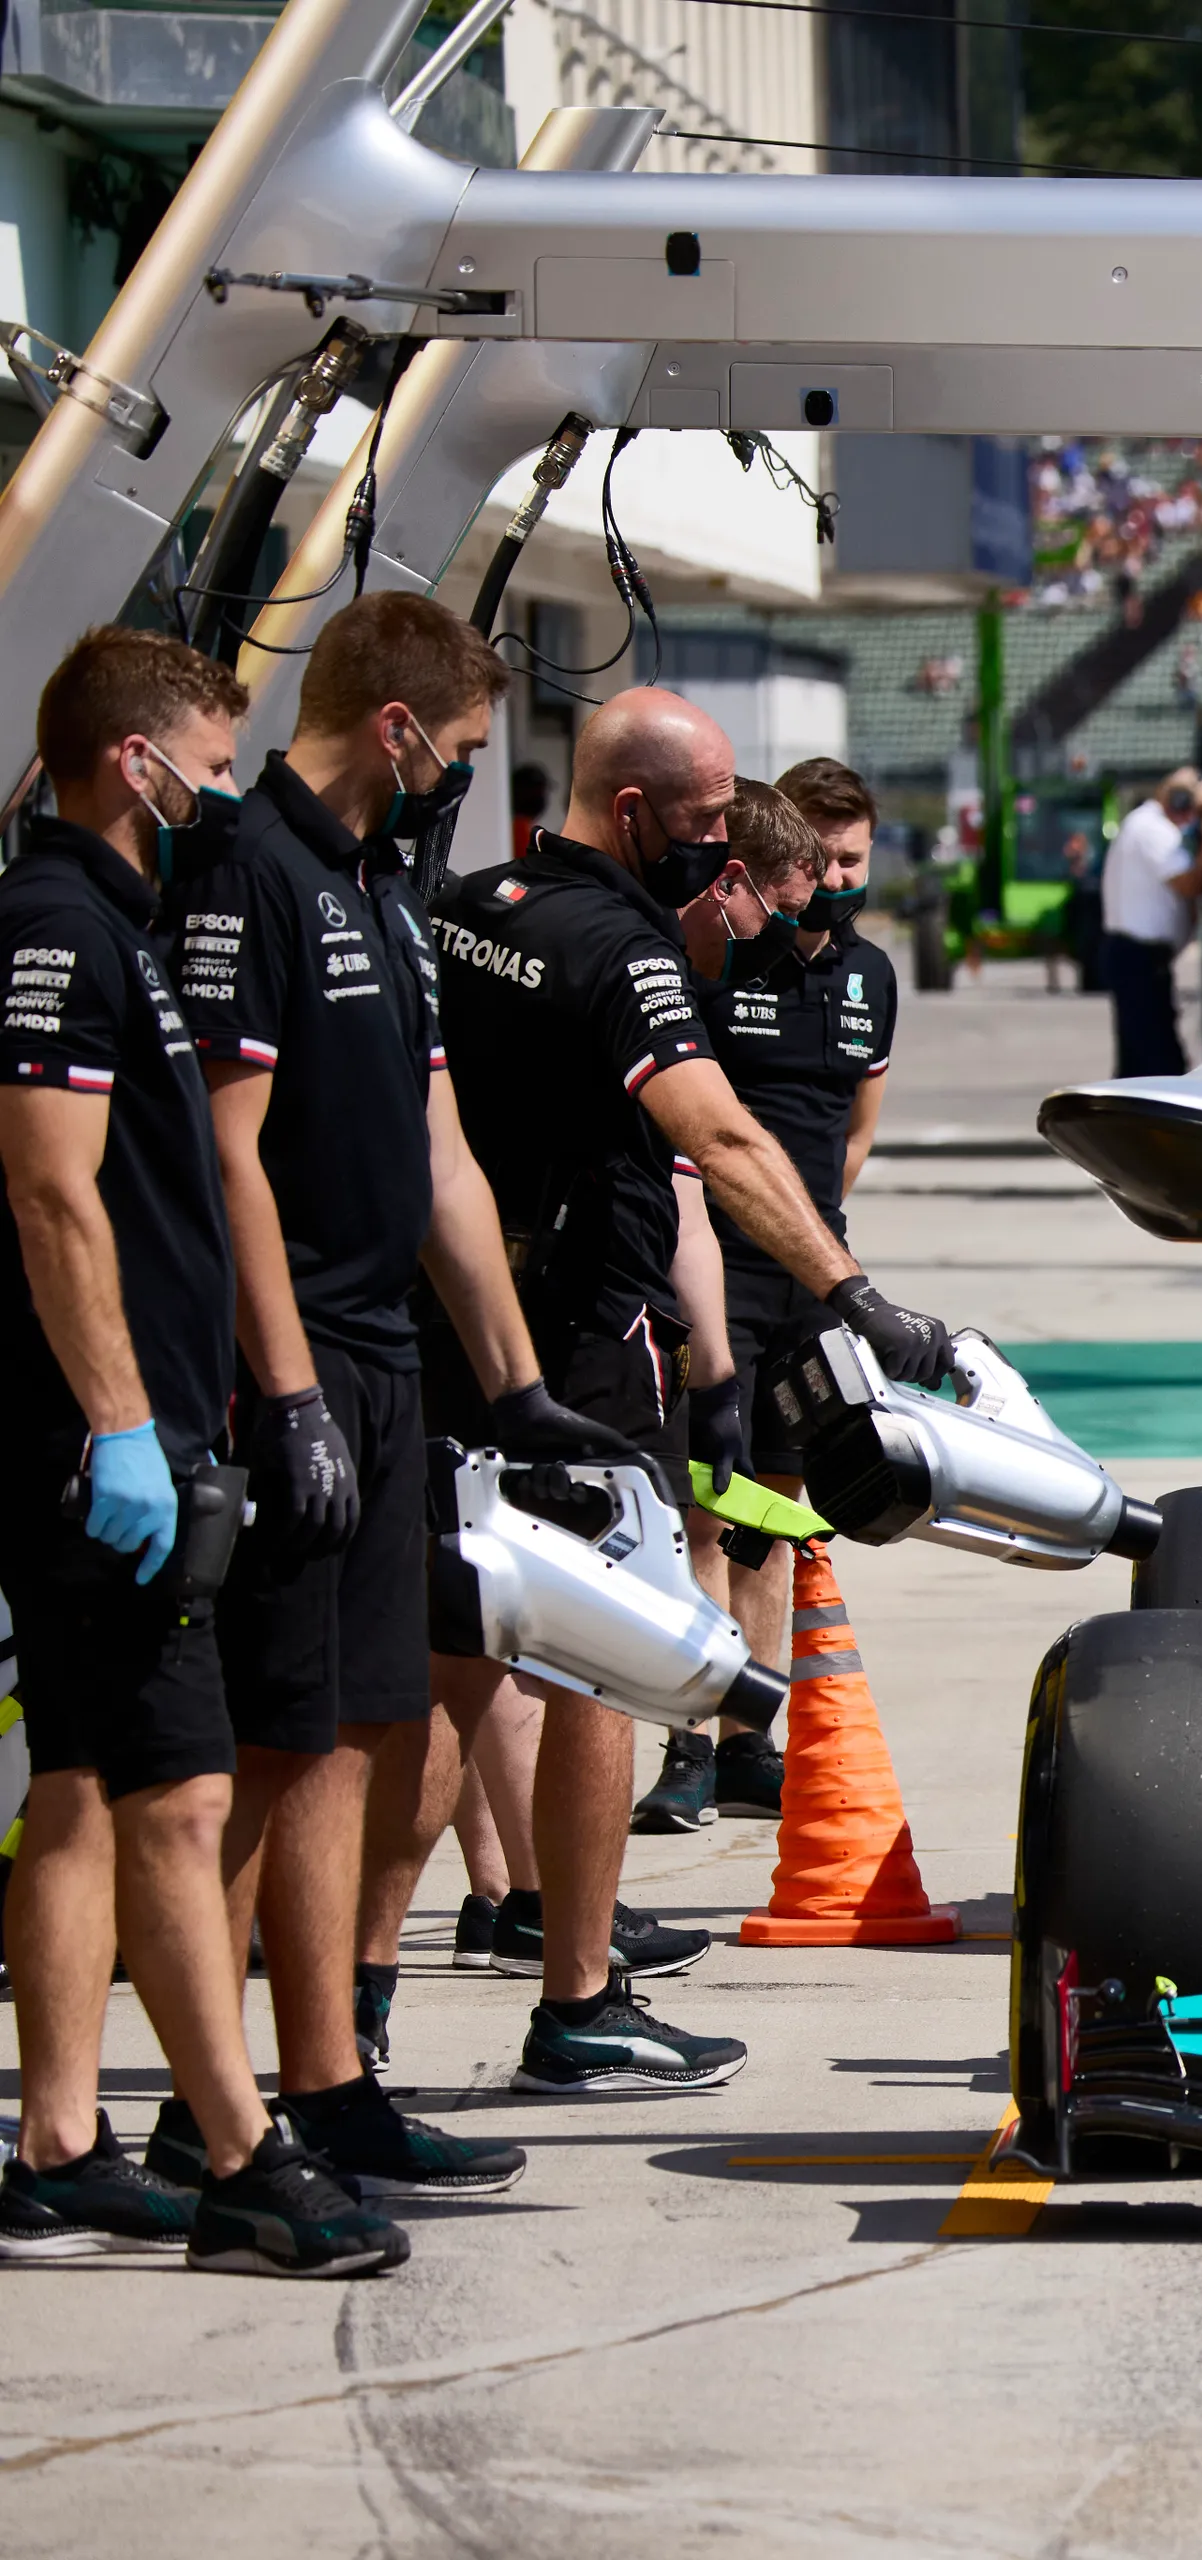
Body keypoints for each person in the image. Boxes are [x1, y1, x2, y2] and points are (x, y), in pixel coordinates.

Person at [161, 594, 634, 2199]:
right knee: (279, 1737)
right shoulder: (249, 871)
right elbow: (226, 1153)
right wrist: (285, 1392)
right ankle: (218, 2101)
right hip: (288, 1359)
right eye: (463, 748)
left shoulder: (387, 891)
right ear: (396, 726)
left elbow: (444, 1159)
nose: (466, 777)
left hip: (385, 1363)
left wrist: (517, 1388)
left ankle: (326, 2081)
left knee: (361, 1727)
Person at [430, 686, 959, 2095]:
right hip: (582, 1341)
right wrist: (853, 1292)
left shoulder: (471, 905)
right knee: (602, 1658)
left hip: (463, 1325)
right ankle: (578, 1999)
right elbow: (713, 1140)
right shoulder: (626, 948)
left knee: (437, 1674)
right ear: (632, 814)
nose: (730, 843)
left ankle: (344, 2032)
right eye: (710, 818)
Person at [0, 627, 406, 2276]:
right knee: (182, 1794)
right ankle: (242, 2158)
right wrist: (120, 1426)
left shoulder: (115, 924)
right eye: (213, 767)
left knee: (81, 1790)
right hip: (101, 1440)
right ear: (134, 761)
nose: (226, 796)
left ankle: (58, 2145)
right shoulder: (56, 928)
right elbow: (50, 1188)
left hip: (134, 1423)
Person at [635, 763, 894, 1829]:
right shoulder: (722, 957)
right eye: (818, 860)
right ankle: (689, 1743)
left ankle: (753, 1740)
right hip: (714, 1273)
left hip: (814, 1281)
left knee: (780, 1514)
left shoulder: (872, 976)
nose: (835, 879)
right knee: (706, 1509)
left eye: (852, 860)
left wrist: (818, 1248)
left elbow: (857, 1131)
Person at [1101, 768, 1202, 1076]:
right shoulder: (1153, 829)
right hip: (1138, 956)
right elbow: (1188, 884)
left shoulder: (1146, 824)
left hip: (1138, 955)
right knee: (1157, 1060)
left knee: (1140, 1057)